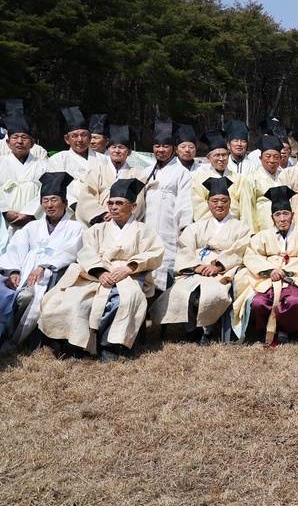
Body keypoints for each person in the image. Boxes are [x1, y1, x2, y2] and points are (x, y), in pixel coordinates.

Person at [38, 178, 164, 362]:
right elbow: (86, 251)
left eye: (119, 203)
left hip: (128, 276)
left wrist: (129, 268)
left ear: (133, 207)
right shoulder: (97, 229)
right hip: (95, 274)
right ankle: (77, 342)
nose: (113, 207)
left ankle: (108, 344)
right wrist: (100, 272)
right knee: (73, 299)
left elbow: (155, 252)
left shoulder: (143, 231)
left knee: (121, 300)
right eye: (110, 203)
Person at [150, 177, 252, 345]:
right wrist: (196, 266)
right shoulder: (197, 226)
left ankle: (206, 330)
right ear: (208, 203)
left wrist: (217, 266)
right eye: (215, 201)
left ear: (230, 203)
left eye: (224, 201)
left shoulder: (241, 227)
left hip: (222, 273)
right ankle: (191, 330)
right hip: (196, 269)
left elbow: (239, 250)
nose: (219, 205)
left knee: (210, 293)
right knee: (179, 292)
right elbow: (185, 247)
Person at [0, 172, 83, 352]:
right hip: (25, 271)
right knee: (5, 292)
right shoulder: (32, 226)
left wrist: (43, 267)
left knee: (26, 296)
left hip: (53, 274)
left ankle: (12, 338)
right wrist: (14, 271)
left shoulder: (75, 227)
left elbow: (70, 252)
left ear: (65, 203)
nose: (49, 205)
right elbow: (16, 248)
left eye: (54, 200)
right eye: (45, 201)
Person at [232, 185, 298, 346]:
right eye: (278, 215)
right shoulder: (262, 236)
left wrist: (287, 270)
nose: (282, 219)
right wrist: (270, 270)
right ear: (272, 218)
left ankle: (285, 330)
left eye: (286, 214)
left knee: (293, 301)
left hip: (294, 277)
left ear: (292, 215)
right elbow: (251, 255)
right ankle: (265, 329)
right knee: (258, 303)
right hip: (269, 278)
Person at [143, 121, 193, 293]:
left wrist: (184, 226)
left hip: (169, 225)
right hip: (148, 224)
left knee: (167, 260)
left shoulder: (182, 172)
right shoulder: (147, 171)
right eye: (157, 146)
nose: (161, 150)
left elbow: (185, 201)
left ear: (174, 148)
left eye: (166, 146)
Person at [76, 125, 145, 227]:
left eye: (121, 147)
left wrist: (119, 217)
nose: (116, 151)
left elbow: (139, 203)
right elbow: (85, 198)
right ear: (108, 150)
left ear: (129, 152)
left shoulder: (137, 175)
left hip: (126, 225)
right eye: (113, 147)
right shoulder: (96, 172)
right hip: (100, 223)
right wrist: (103, 214)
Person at [0, 111, 45, 251]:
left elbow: (47, 192)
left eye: (24, 137)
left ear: (32, 143)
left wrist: (29, 213)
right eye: (15, 137)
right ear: (8, 143)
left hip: (33, 220)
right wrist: (5, 211)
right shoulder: (1, 163)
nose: (19, 141)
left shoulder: (44, 165)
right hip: (3, 221)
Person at [45, 107, 103, 206]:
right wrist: (74, 205)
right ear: (67, 139)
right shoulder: (58, 159)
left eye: (83, 135)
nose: (80, 140)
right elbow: (57, 187)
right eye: (75, 136)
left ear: (90, 138)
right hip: (70, 206)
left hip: (99, 205)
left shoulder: (103, 159)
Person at [239, 135, 286, 233]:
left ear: (281, 158)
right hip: (262, 230)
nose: (272, 160)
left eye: (276, 157)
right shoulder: (251, 179)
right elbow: (247, 208)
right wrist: (251, 233)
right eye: (268, 156)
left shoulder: (285, 176)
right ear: (260, 158)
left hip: (284, 228)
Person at [192, 129, 242, 221]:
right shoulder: (199, 179)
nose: (221, 159)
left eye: (224, 155)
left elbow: (242, 204)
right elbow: (198, 206)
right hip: (208, 224)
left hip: (233, 223)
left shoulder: (238, 179)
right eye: (217, 155)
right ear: (208, 158)